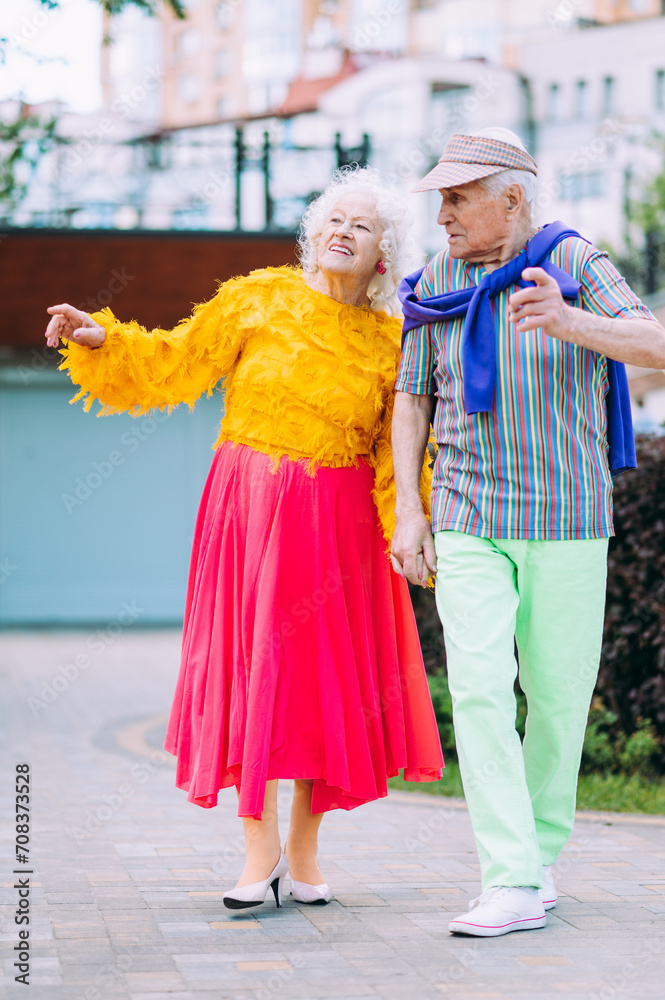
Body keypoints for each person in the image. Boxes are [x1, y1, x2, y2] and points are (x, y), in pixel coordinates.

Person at [45, 167, 444, 912]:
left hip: (338, 526)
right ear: (312, 233)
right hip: (248, 514)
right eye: (332, 218)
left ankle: (304, 850)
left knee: (320, 688)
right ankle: (256, 853)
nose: (341, 231)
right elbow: (174, 362)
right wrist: (102, 336)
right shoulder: (257, 296)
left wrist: (406, 533)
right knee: (253, 673)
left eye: (361, 225)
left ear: (384, 253)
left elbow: (397, 455)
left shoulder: (394, 341)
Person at [390, 127, 665, 937]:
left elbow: (653, 340)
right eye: (439, 196)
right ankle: (506, 875)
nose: (442, 213)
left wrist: (568, 321)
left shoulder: (575, 261)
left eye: (457, 196)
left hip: (568, 516)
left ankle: (539, 860)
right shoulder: (435, 282)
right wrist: (410, 508)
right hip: (469, 513)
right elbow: (412, 399)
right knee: (476, 689)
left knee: (555, 698)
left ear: (510, 197)